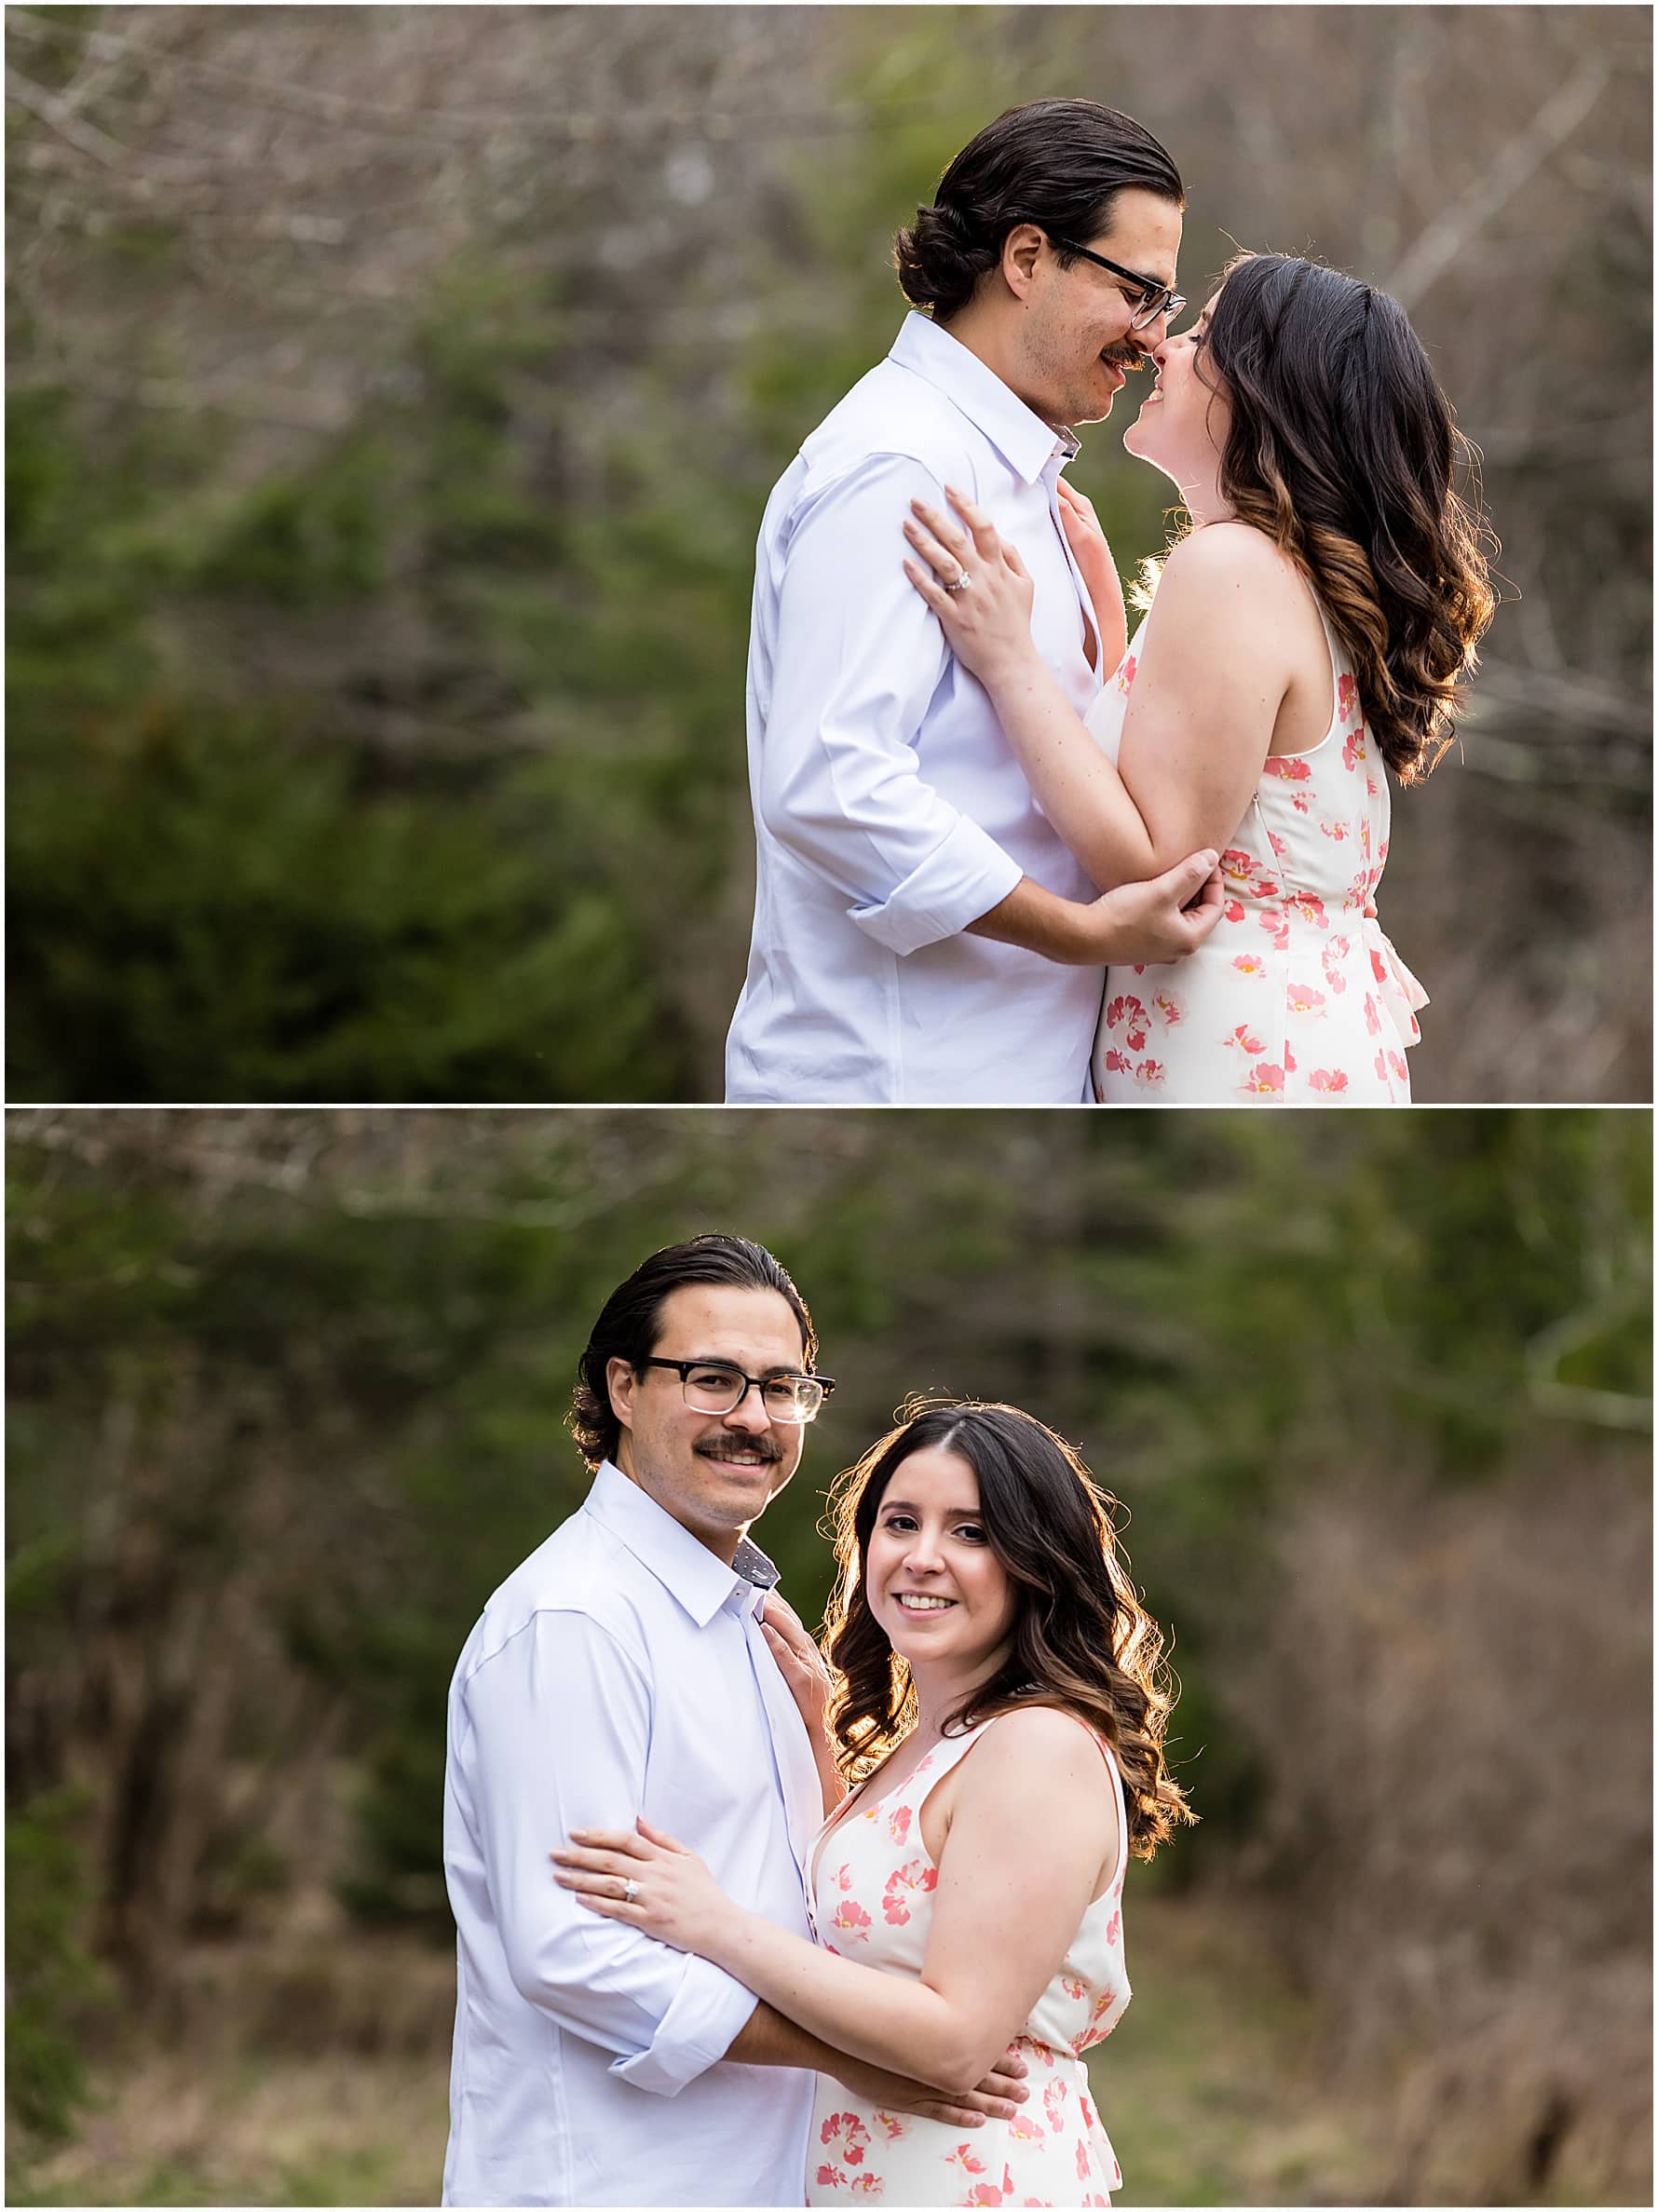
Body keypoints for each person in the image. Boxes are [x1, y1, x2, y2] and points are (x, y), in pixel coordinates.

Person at [442, 1240, 1030, 2208]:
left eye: (783, 1385)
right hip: (614, 2179)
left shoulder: (747, 1620)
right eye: (713, 1378)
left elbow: (804, 1894)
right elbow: (570, 1949)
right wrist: (854, 2056)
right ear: (623, 1387)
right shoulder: (577, 1619)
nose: (754, 1418)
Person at [552, 1400, 1193, 2206]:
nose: (923, 1556)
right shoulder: (938, 1743)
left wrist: (717, 1925)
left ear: (1037, 1559)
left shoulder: (1038, 1745)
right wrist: (820, 1740)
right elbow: (872, 1915)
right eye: (900, 1522)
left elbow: (955, 2042)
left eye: (971, 1531)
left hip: (973, 2180)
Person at [902, 251, 1497, 1102]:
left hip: (1243, 1062)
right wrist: (1110, 626)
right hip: (1290, 1039)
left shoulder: (1232, 568)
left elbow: (1157, 868)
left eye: (1203, 336)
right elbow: (1187, 784)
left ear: (1264, 392)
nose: (1162, 346)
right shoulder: (1286, 574)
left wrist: (1009, 658)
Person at [724, 100, 1225, 1107]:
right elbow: (830, 778)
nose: (1152, 337)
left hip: (1016, 1074)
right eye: (1140, 292)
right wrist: (1080, 931)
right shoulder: (900, 465)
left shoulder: (1017, 479)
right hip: (897, 1077)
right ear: (1029, 257)